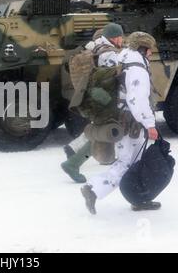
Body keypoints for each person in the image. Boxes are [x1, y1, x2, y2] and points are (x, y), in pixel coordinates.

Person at [81, 32, 159, 214]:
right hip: (132, 121)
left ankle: (96, 189)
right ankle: (137, 199)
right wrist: (149, 124)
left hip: (122, 117)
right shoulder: (137, 68)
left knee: (128, 161)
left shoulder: (124, 58)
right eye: (149, 50)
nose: (150, 54)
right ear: (142, 48)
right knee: (135, 161)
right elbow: (137, 100)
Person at [62, 23, 124, 183]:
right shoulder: (109, 54)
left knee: (104, 132)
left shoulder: (97, 46)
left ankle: (75, 156)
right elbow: (112, 78)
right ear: (113, 37)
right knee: (104, 132)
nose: (122, 40)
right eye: (120, 37)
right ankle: (73, 163)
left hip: (96, 97)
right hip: (105, 99)